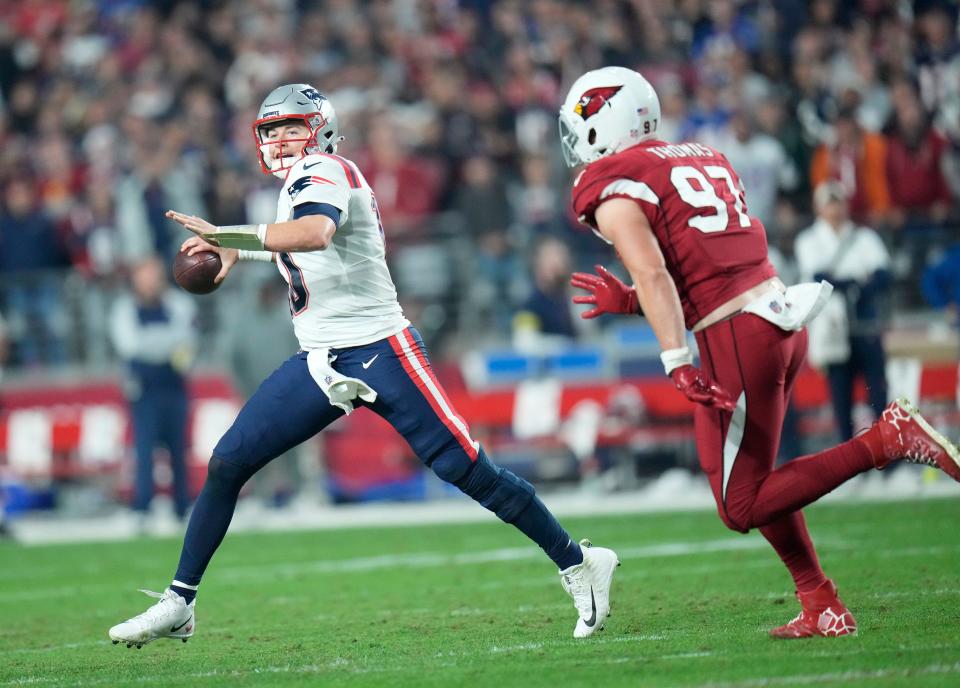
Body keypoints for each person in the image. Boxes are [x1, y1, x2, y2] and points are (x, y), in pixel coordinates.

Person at [108, 84, 616, 648]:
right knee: (229, 461)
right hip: (322, 359)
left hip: (381, 349)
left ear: (320, 127)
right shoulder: (300, 182)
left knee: (464, 468)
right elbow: (297, 244)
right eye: (270, 131)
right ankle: (180, 602)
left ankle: (579, 561)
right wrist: (236, 250)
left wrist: (230, 234)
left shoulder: (323, 170)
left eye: (290, 127)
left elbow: (316, 234)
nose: (279, 139)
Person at [561, 66, 960, 639]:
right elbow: (699, 263)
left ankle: (887, 438)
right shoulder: (702, 155)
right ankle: (820, 600)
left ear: (605, 121)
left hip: (735, 337)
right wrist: (631, 301)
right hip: (775, 320)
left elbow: (654, 271)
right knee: (759, 482)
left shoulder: (614, 180)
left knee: (739, 504)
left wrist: (676, 360)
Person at [795, 182, 890, 441]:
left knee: (878, 394)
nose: (835, 209)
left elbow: (882, 275)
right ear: (819, 208)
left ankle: (888, 458)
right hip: (834, 328)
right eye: (829, 203)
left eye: (838, 202)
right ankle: (850, 462)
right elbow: (818, 277)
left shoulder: (863, 236)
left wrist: (848, 284)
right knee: (841, 396)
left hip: (864, 323)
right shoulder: (809, 240)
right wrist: (857, 283)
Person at [109, 256, 197, 526]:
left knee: (178, 450)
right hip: (143, 389)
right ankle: (142, 507)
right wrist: (166, 345)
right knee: (144, 451)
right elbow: (129, 346)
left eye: (154, 275)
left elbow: (188, 343)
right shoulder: (124, 308)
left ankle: (182, 507)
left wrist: (155, 344)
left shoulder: (179, 304)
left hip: (174, 385)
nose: (150, 282)